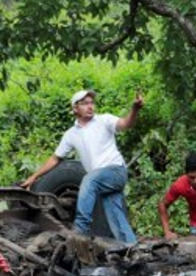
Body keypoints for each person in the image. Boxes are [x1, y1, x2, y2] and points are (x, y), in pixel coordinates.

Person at [21, 89, 143, 244]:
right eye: (85, 103)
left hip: (115, 171)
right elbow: (55, 159)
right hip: (101, 181)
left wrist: (134, 109)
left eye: (92, 103)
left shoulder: (104, 120)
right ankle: (131, 248)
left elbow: (126, 124)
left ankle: (80, 228)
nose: (90, 106)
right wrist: (33, 177)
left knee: (89, 180)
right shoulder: (71, 134)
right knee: (116, 218)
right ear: (75, 108)